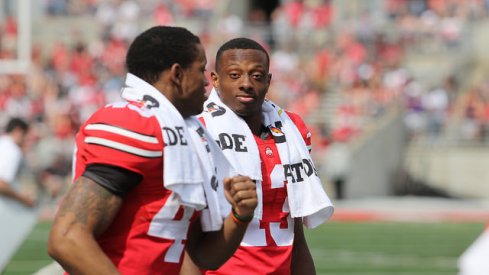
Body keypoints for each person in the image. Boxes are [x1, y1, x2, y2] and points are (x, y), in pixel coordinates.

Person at [47, 26, 258, 274]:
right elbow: (67, 237)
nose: (205, 82)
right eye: (200, 69)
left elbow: (203, 256)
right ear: (177, 74)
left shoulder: (189, 133)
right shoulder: (136, 123)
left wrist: (240, 216)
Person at [183, 38, 334, 274]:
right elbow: (187, 237)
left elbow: (296, 234)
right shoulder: (197, 130)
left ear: (268, 80)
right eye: (234, 75)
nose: (246, 84)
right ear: (215, 79)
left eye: (256, 75)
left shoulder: (291, 128)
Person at [0, 117, 34, 207]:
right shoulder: (12, 150)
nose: (27, 139)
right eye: (26, 134)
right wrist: (22, 199)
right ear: (18, 131)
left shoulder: (3, 143)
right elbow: (1, 184)